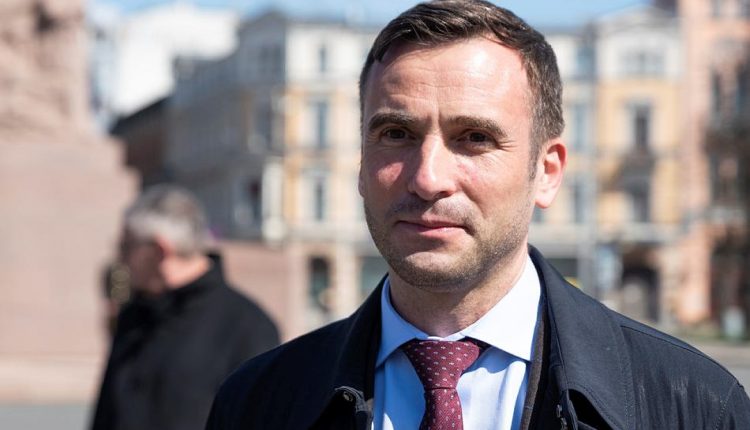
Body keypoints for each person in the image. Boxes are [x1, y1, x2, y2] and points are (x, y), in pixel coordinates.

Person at [206, 1, 750, 429]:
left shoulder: (693, 404)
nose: (428, 178)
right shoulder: (258, 402)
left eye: (474, 138)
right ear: (361, 165)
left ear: (547, 172)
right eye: (396, 134)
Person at [91, 184, 279, 430]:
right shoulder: (135, 314)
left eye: (126, 247)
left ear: (159, 251)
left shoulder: (249, 326)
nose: (120, 259)